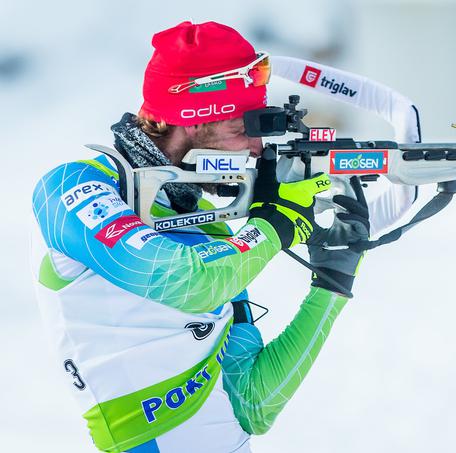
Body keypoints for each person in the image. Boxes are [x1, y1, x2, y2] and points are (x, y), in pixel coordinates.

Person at [30, 21, 369, 453]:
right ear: (191, 121)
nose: (255, 149)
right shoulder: (72, 186)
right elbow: (186, 282)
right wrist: (275, 224)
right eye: (240, 130)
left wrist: (332, 283)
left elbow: (252, 406)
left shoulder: (205, 221)